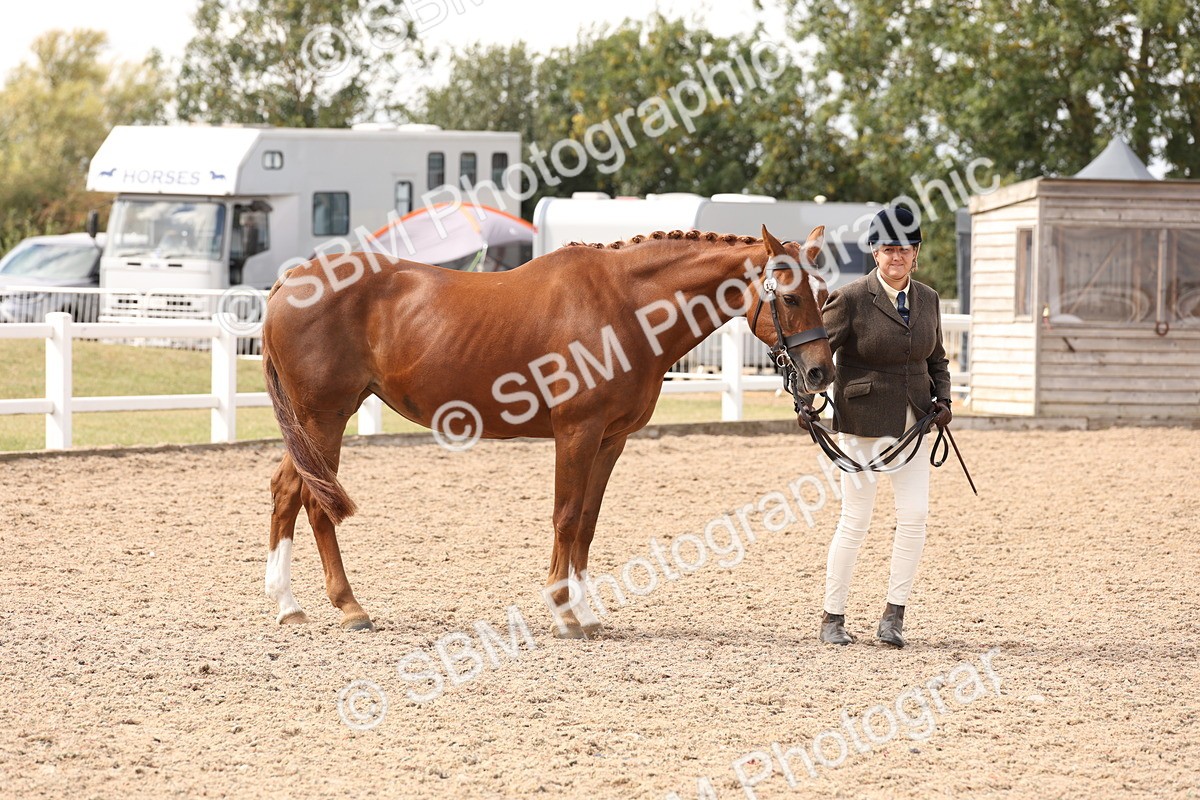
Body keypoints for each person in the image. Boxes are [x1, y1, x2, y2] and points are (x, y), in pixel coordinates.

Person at [799, 205, 952, 648]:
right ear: (874, 252)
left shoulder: (929, 299)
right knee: (856, 518)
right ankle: (833, 617)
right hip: (862, 421)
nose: (896, 257)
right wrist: (806, 402)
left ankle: (893, 616)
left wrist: (943, 399)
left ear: (916, 253)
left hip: (914, 423)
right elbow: (816, 358)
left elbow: (935, 357)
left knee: (915, 515)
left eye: (904, 249)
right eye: (887, 249)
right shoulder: (848, 299)